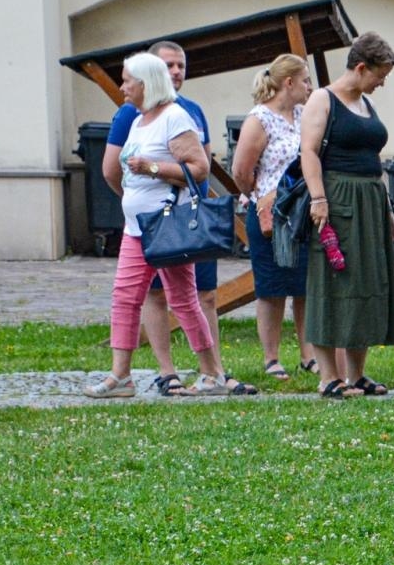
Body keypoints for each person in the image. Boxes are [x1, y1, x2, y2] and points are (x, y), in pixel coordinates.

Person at [85, 51, 229, 398]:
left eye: (126, 81)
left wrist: (151, 168)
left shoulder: (174, 118)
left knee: (182, 300)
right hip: (138, 227)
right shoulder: (137, 120)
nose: (122, 87)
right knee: (125, 297)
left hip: (167, 228)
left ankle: (211, 373)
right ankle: (121, 377)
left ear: (146, 84)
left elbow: (199, 169)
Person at [298, 32, 394, 399]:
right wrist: (318, 199)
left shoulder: (364, 103)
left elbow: (373, 161)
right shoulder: (321, 99)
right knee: (333, 283)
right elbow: (308, 152)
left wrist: (387, 208)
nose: (382, 82)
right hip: (337, 198)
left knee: (367, 282)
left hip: (370, 199)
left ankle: (356, 374)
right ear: (361, 67)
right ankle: (329, 376)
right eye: (380, 74)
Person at [231, 53, 315, 382]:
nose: (310, 86)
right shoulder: (259, 119)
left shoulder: (305, 115)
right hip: (272, 214)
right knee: (272, 287)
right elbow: (240, 170)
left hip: (304, 212)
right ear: (288, 83)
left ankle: (309, 355)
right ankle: (271, 357)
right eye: (305, 80)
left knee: (305, 285)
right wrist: (261, 196)